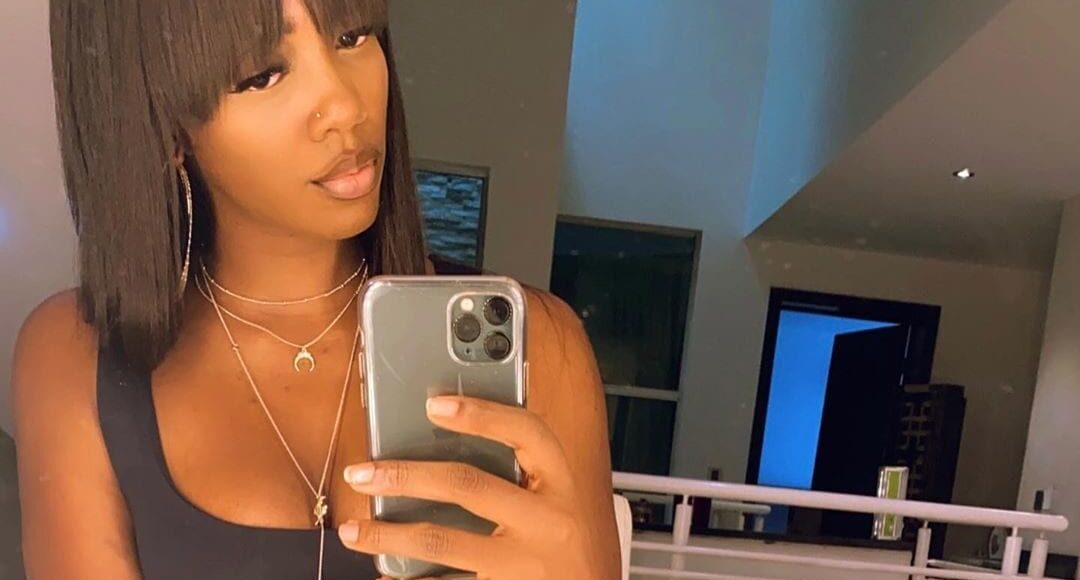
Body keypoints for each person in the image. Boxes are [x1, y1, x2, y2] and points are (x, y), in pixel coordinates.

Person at [10, 0, 620, 578]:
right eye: (262, 75)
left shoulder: (544, 347)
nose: (345, 106)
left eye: (352, 34)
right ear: (165, 126)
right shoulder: (75, 358)